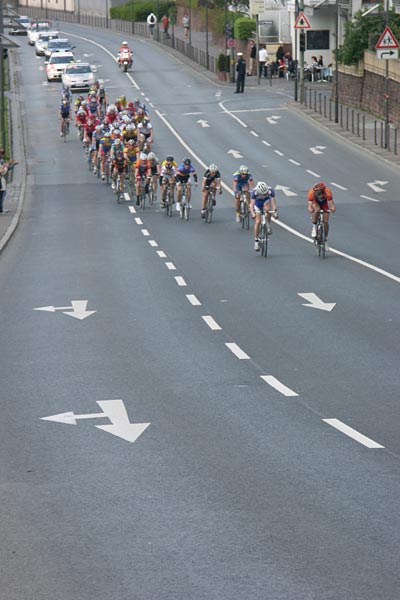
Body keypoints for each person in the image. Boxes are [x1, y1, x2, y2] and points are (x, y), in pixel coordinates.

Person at [250, 182, 278, 251]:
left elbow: (274, 203)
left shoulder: (270, 190)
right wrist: (253, 213)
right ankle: (256, 241)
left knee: (268, 209)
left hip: (266, 202)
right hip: (258, 204)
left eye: (266, 193)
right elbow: (251, 205)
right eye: (263, 194)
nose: (265, 194)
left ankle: (268, 223)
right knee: (258, 221)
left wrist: (275, 212)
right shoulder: (255, 192)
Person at [308, 182, 336, 249]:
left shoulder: (328, 192)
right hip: (316, 203)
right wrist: (311, 210)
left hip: (324, 204)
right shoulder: (311, 193)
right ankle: (314, 227)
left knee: (326, 221)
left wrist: (332, 209)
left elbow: (331, 204)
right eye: (315, 190)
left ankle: (325, 239)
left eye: (318, 190)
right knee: (317, 209)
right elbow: (310, 206)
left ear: (322, 190)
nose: (316, 191)